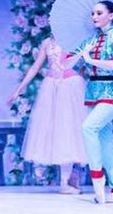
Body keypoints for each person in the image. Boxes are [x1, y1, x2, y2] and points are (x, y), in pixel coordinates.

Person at [8, 36, 87, 193]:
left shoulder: (75, 39)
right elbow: (35, 67)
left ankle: (70, 178)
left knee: (70, 130)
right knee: (56, 132)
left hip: (70, 87)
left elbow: (83, 65)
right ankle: (65, 181)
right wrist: (19, 88)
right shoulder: (47, 42)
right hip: (51, 88)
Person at [70, 1, 113, 204]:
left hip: (112, 92)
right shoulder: (91, 40)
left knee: (88, 127)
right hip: (94, 92)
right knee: (106, 141)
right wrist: (78, 60)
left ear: (111, 16)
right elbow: (72, 62)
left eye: (99, 13)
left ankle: (97, 176)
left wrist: (91, 60)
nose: (94, 16)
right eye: (92, 13)